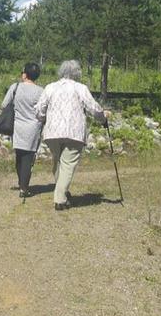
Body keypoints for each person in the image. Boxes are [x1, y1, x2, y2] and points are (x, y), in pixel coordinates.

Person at [34, 59, 110, 211]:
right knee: (68, 165)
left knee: (57, 163)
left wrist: (42, 119)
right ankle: (60, 199)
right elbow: (93, 107)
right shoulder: (80, 88)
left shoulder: (50, 87)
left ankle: (62, 192)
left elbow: (39, 108)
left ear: (61, 72)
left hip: (52, 132)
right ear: (77, 73)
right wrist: (103, 118)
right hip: (73, 132)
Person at [0, 62, 45, 198]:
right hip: (33, 127)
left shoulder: (15, 87)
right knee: (28, 157)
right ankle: (24, 188)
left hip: (17, 126)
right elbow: (43, 110)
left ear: (25, 74)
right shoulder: (41, 91)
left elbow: (4, 104)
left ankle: (22, 184)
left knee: (19, 156)